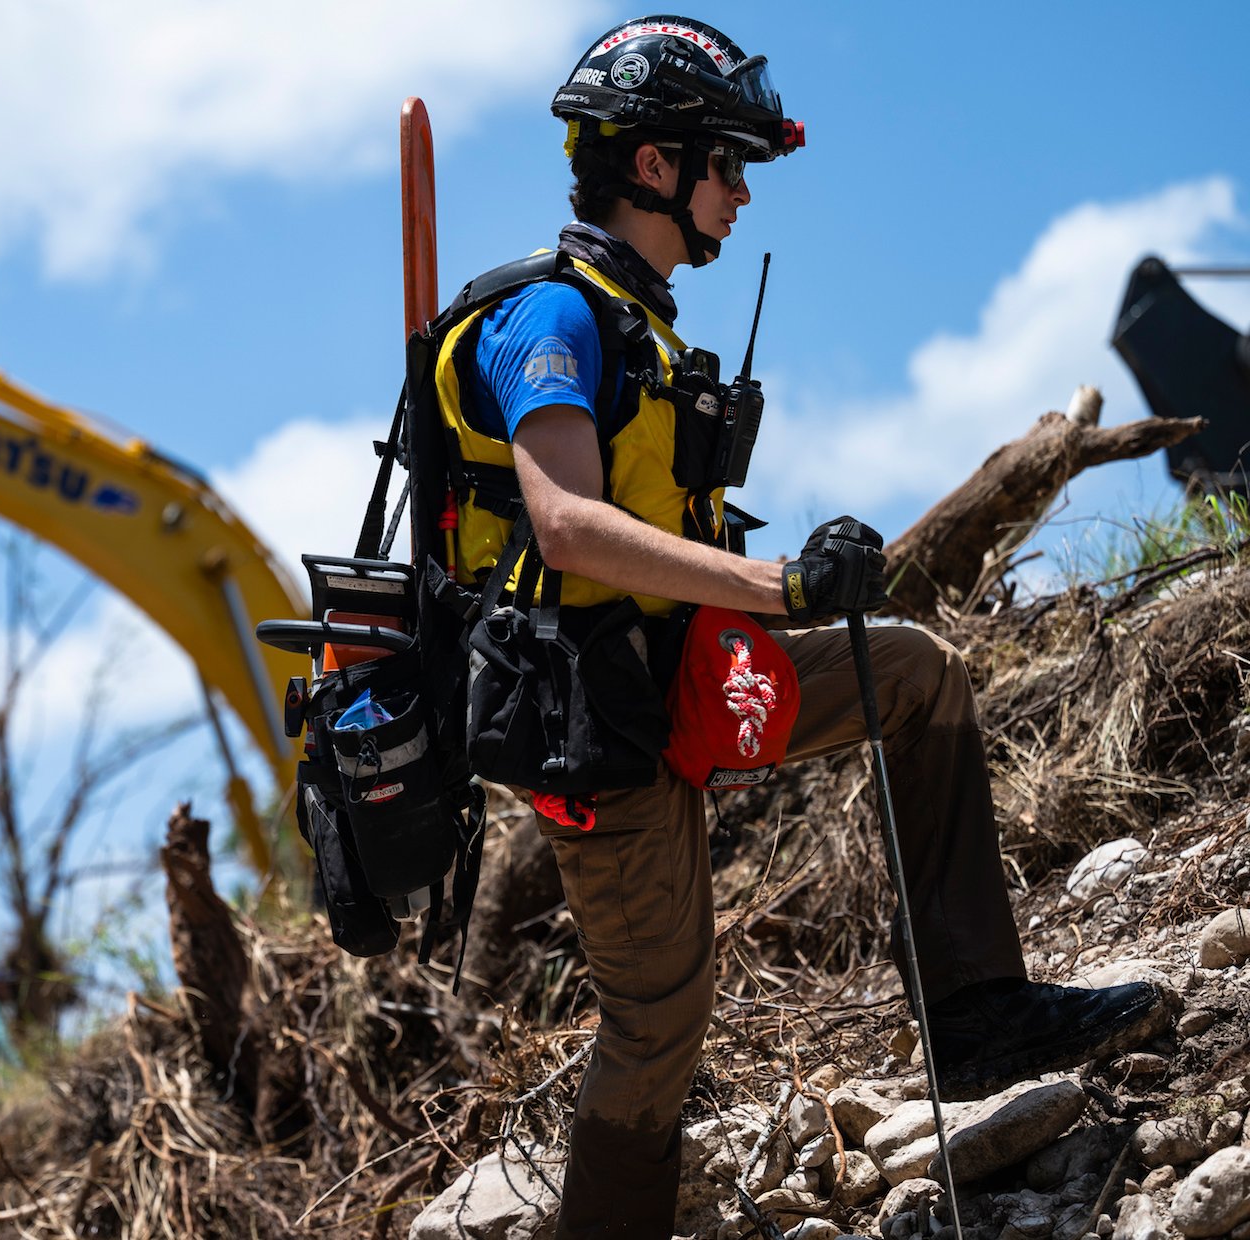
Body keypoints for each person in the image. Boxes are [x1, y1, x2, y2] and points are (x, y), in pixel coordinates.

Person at [439, 17, 1168, 1237]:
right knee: (657, 1025)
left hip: (681, 672)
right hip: (588, 723)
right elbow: (563, 526)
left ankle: (976, 1015)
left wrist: (798, 577)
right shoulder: (549, 319)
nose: (738, 192)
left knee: (915, 671)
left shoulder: (638, 320)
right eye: (723, 165)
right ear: (653, 165)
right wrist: (777, 584)